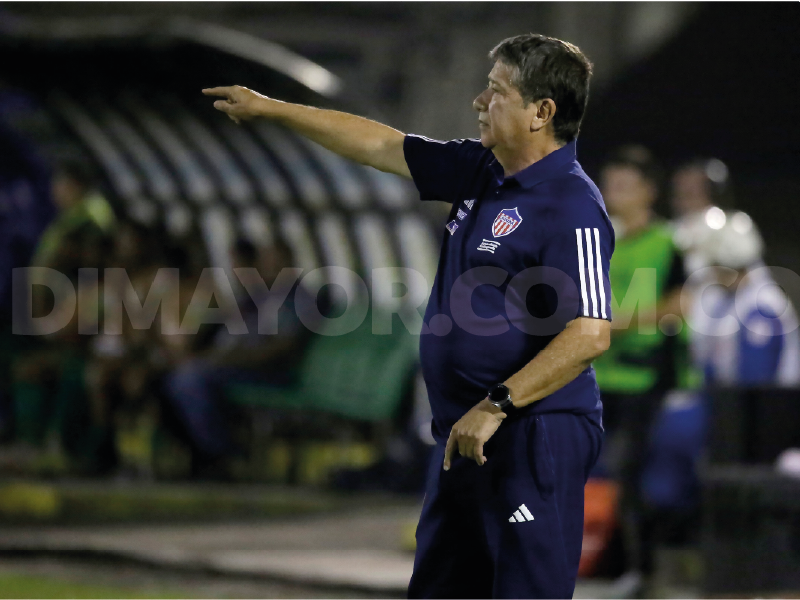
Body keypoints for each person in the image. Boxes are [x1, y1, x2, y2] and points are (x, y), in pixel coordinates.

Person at [203, 33, 612, 599]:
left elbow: (590, 333)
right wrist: (275, 109)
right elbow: (380, 145)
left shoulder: (571, 205)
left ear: (542, 112)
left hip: (528, 434)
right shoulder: (481, 170)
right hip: (463, 433)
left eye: (495, 91)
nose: (478, 101)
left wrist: (498, 404)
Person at [593, 146, 696, 593]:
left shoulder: (671, 242)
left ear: (648, 192)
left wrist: (623, 322)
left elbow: (683, 303)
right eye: (609, 183)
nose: (612, 192)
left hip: (647, 378)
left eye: (623, 185)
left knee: (635, 475)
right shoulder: (601, 240)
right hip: (600, 375)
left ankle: (642, 569)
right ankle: (601, 562)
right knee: (592, 473)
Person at [164, 238, 315, 478]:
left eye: (276, 261)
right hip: (235, 366)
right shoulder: (258, 297)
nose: (269, 266)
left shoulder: (298, 299)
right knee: (170, 377)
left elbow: (282, 348)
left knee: (189, 381)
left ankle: (222, 454)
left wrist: (231, 359)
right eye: (266, 261)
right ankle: (201, 452)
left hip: (269, 373)